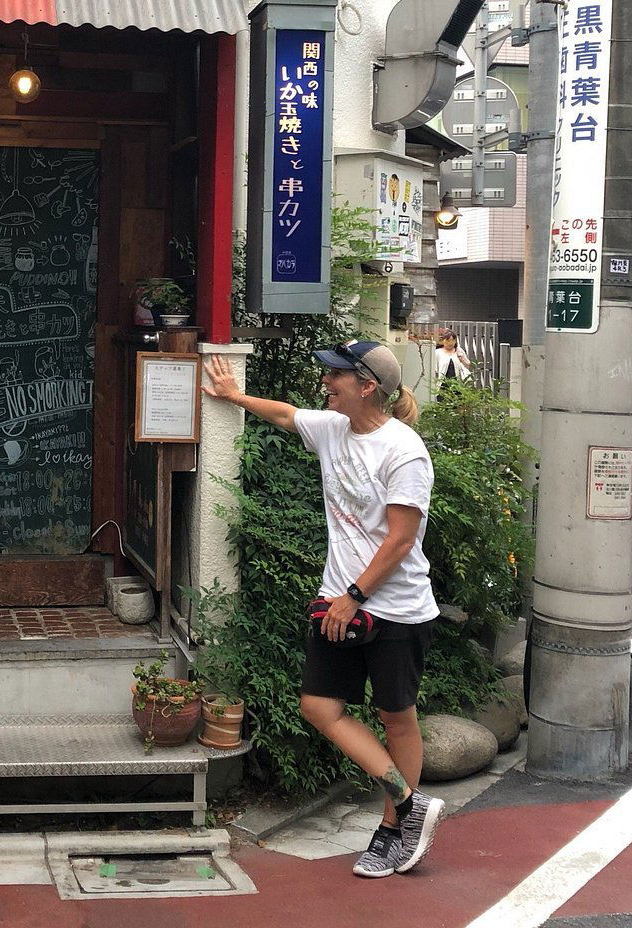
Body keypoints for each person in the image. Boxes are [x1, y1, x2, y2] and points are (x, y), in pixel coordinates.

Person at [203, 340, 444, 878]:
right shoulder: (335, 428)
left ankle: (391, 831)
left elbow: (401, 540)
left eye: (335, 376)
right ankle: (411, 805)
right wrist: (235, 395)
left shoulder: (403, 451)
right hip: (341, 600)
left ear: (365, 386)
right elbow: (287, 415)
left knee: (395, 718)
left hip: (396, 609)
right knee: (318, 706)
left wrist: (353, 596)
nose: (324, 383)